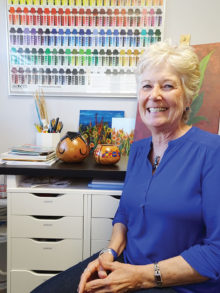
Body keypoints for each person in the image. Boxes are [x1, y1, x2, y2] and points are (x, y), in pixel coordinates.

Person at [31, 41, 220, 293]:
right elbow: (124, 215)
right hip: (127, 266)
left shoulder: (212, 153)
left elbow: (216, 252)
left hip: (180, 284)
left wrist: (140, 276)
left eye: (167, 86)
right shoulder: (138, 150)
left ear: (188, 97)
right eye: (146, 86)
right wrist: (110, 251)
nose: (155, 95)